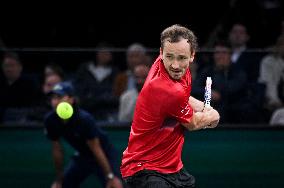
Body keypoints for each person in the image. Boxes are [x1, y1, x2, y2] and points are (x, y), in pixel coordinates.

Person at [120, 24, 220, 188]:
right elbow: (193, 123)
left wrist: (203, 108)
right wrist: (213, 116)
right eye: (170, 57)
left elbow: (183, 98)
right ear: (161, 53)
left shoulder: (170, 67)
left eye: (181, 58)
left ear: (192, 56)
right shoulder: (164, 88)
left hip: (172, 168)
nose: (175, 65)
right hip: (144, 169)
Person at [43, 81, 123, 188]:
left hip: (104, 154)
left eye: (60, 96)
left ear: (71, 100)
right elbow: (57, 149)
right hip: (83, 156)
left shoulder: (84, 119)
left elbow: (96, 149)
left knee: (115, 185)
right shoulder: (50, 120)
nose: (55, 101)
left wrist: (110, 176)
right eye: (53, 97)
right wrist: (59, 179)